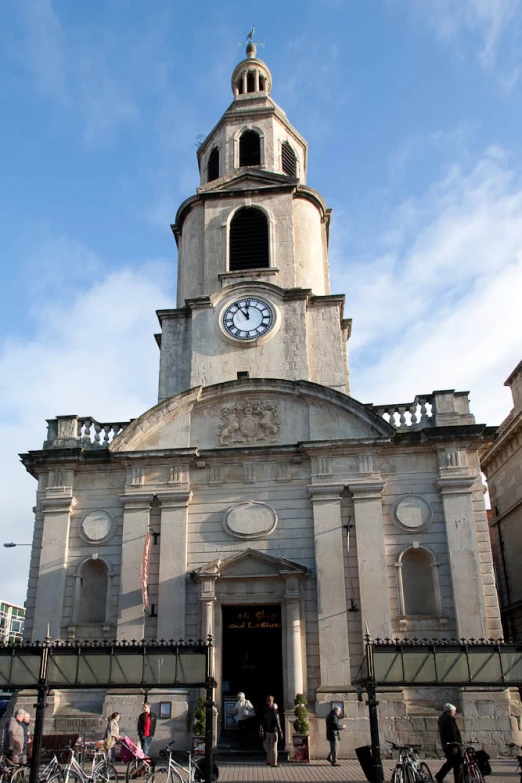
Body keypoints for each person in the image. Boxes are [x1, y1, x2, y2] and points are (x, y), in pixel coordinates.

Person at [435, 703, 462, 783]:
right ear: (450, 711)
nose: (455, 713)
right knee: (457, 765)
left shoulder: (442, 718)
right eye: (454, 711)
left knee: (450, 762)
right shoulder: (449, 719)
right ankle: (458, 781)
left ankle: (439, 776)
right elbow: (452, 733)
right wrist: (455, 745)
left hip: (446, 745)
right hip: (452, 745)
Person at [262, 696, 282, 768]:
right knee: (274, 747)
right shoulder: (275, 713)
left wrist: (264, 730)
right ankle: (274, 763)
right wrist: (280, 732)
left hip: (267, 731)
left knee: (268, 747)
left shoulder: (266, 710)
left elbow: (264, 722)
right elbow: (278, 723)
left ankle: (268, 761)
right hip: (274, 731)